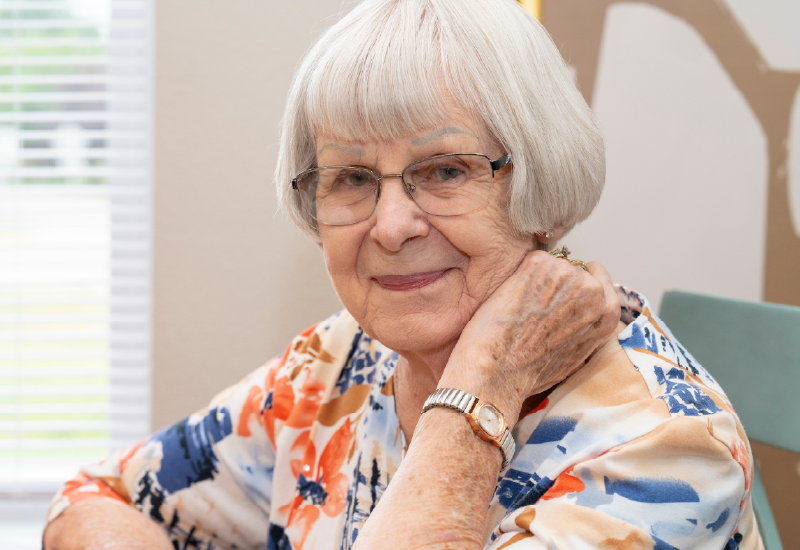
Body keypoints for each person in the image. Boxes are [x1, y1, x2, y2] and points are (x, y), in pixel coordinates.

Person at [43, 0, 763, 548]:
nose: (391, 226)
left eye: (446, 170)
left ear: (540, 179)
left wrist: (482, 387)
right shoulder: (340, 362)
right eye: (352, 178)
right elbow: (92, 500)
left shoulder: (664, 450)